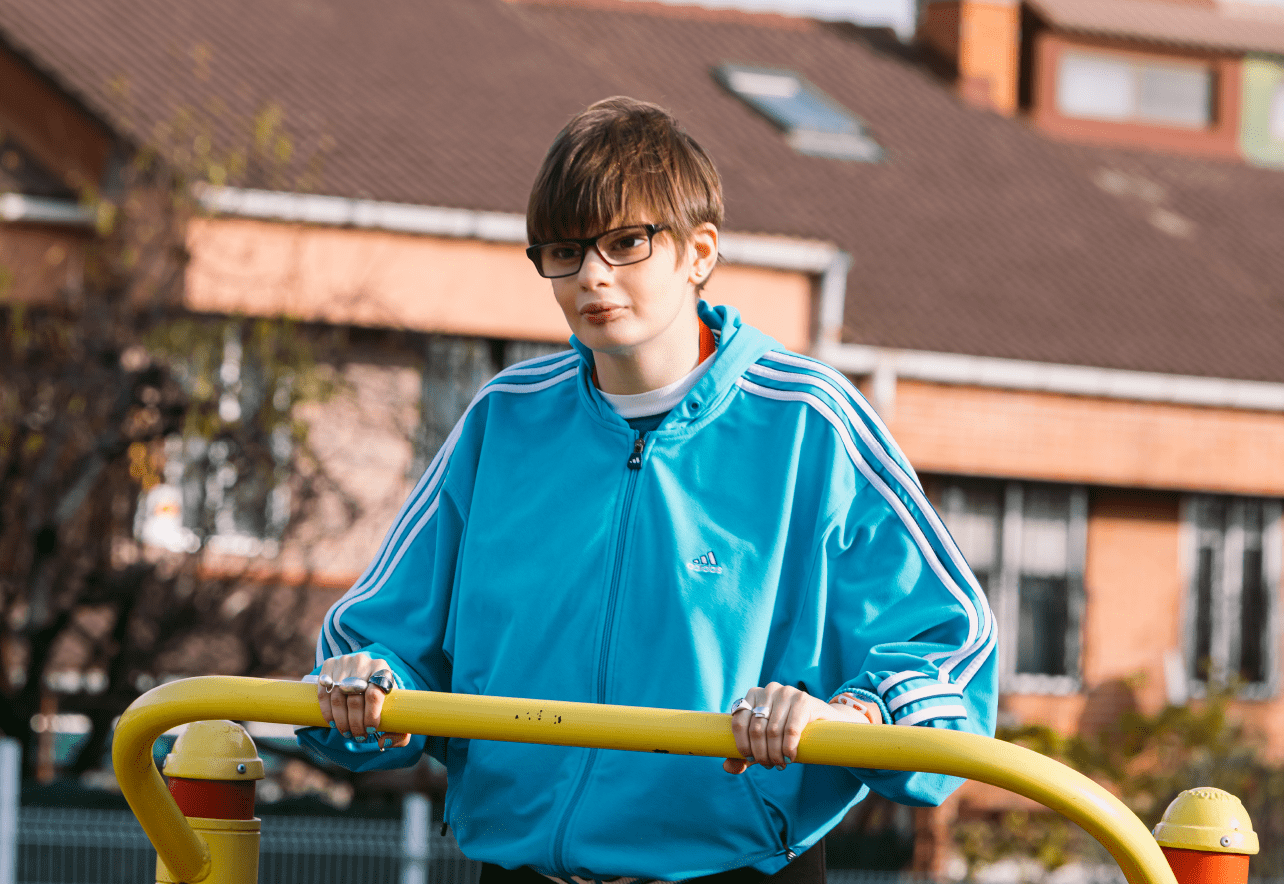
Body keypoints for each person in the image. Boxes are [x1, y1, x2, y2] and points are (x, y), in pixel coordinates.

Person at [299, 96, 997, 884]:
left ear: (699, 252)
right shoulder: (504, 421)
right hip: (521, 869)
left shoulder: (809, 423)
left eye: (627, 242)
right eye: (564, 251)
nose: (592, 275)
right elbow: (378, 644)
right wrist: (366, 682)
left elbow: (951, 641)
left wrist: (852, 714)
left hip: (732, 870)